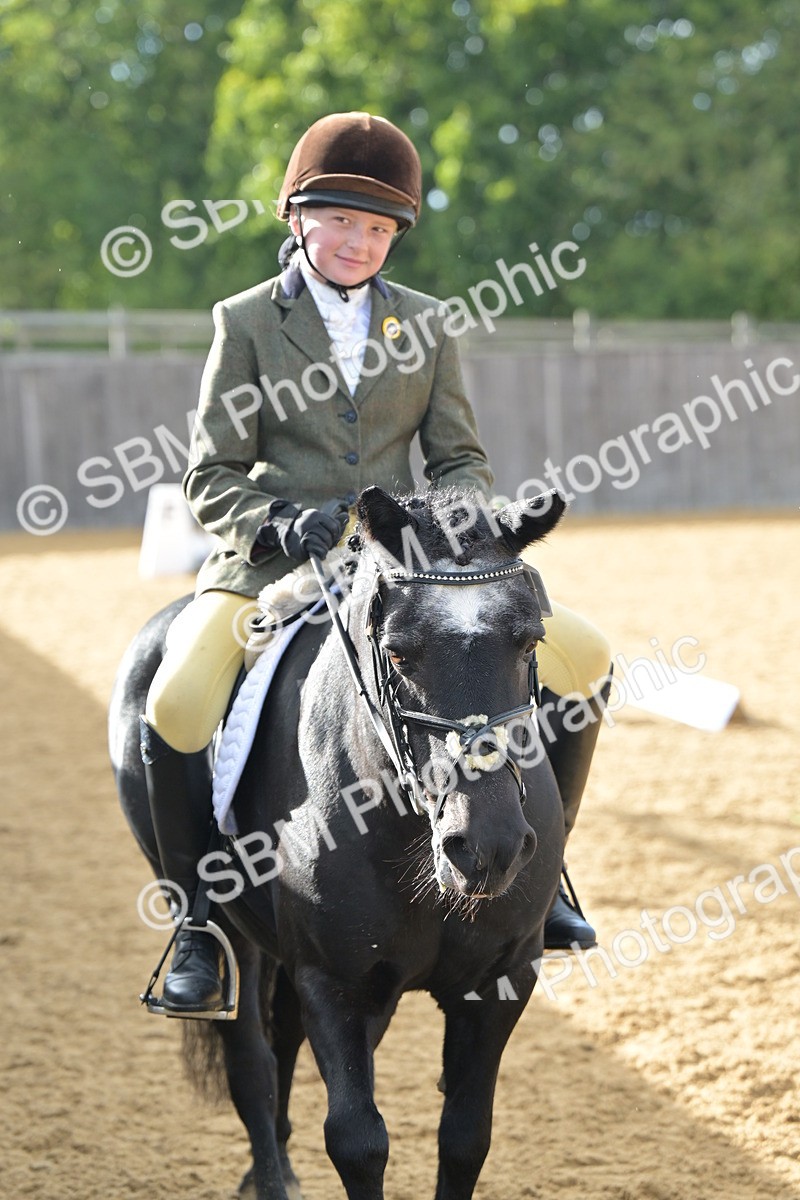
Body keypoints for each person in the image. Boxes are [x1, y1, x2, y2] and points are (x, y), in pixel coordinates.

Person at [140, 111, 611, 1017]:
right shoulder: (243, 322)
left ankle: (545, 878)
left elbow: (460, 459)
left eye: (380, 228)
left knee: (585, 661)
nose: (360, 242)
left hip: (407, 562)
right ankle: (198, 920)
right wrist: (282, 521)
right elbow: (210, 474)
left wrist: (457, 525)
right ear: (299, 220)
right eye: (343, 222)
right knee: (177, 701)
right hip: (275, 560)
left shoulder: (426, 324)